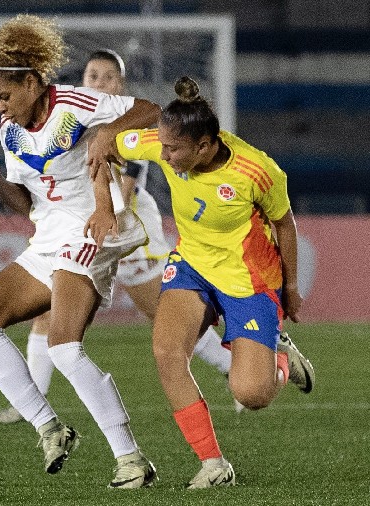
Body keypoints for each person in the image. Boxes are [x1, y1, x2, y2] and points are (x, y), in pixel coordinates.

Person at [0, 15, 159, 489]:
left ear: (32, 82)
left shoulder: (73, 102)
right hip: (50, 235)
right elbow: (27, 202)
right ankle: (50, 427)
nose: (0, 106)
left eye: (5, 95)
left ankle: (130, 458)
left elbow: (150, 109)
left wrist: (109, 133)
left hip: (96, 225)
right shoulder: (11, 131)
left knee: (65, 346)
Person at [0, 49, 236, 426]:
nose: (100, 82)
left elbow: (127, 187)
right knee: (49, 313)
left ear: (119, 86)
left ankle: (236, 363)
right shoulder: (76, 119)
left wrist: (100, 214)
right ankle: (32, 399)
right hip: (91, 228)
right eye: (93, 76)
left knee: (162, 314)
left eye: (108, 77)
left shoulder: (129, 129)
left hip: (125, 227)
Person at [113, 76, 316, 489]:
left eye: (174, 150)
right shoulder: (163, 143)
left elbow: (285, 225)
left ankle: (279, 357)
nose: (164, 155)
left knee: (251, 395)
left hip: (249, 280)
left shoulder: (257, 170)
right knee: (167, 351)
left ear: (205, 146)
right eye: (162, 146)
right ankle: (212, 464)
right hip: (192, 265)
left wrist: (290, 289)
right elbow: (107, 142)